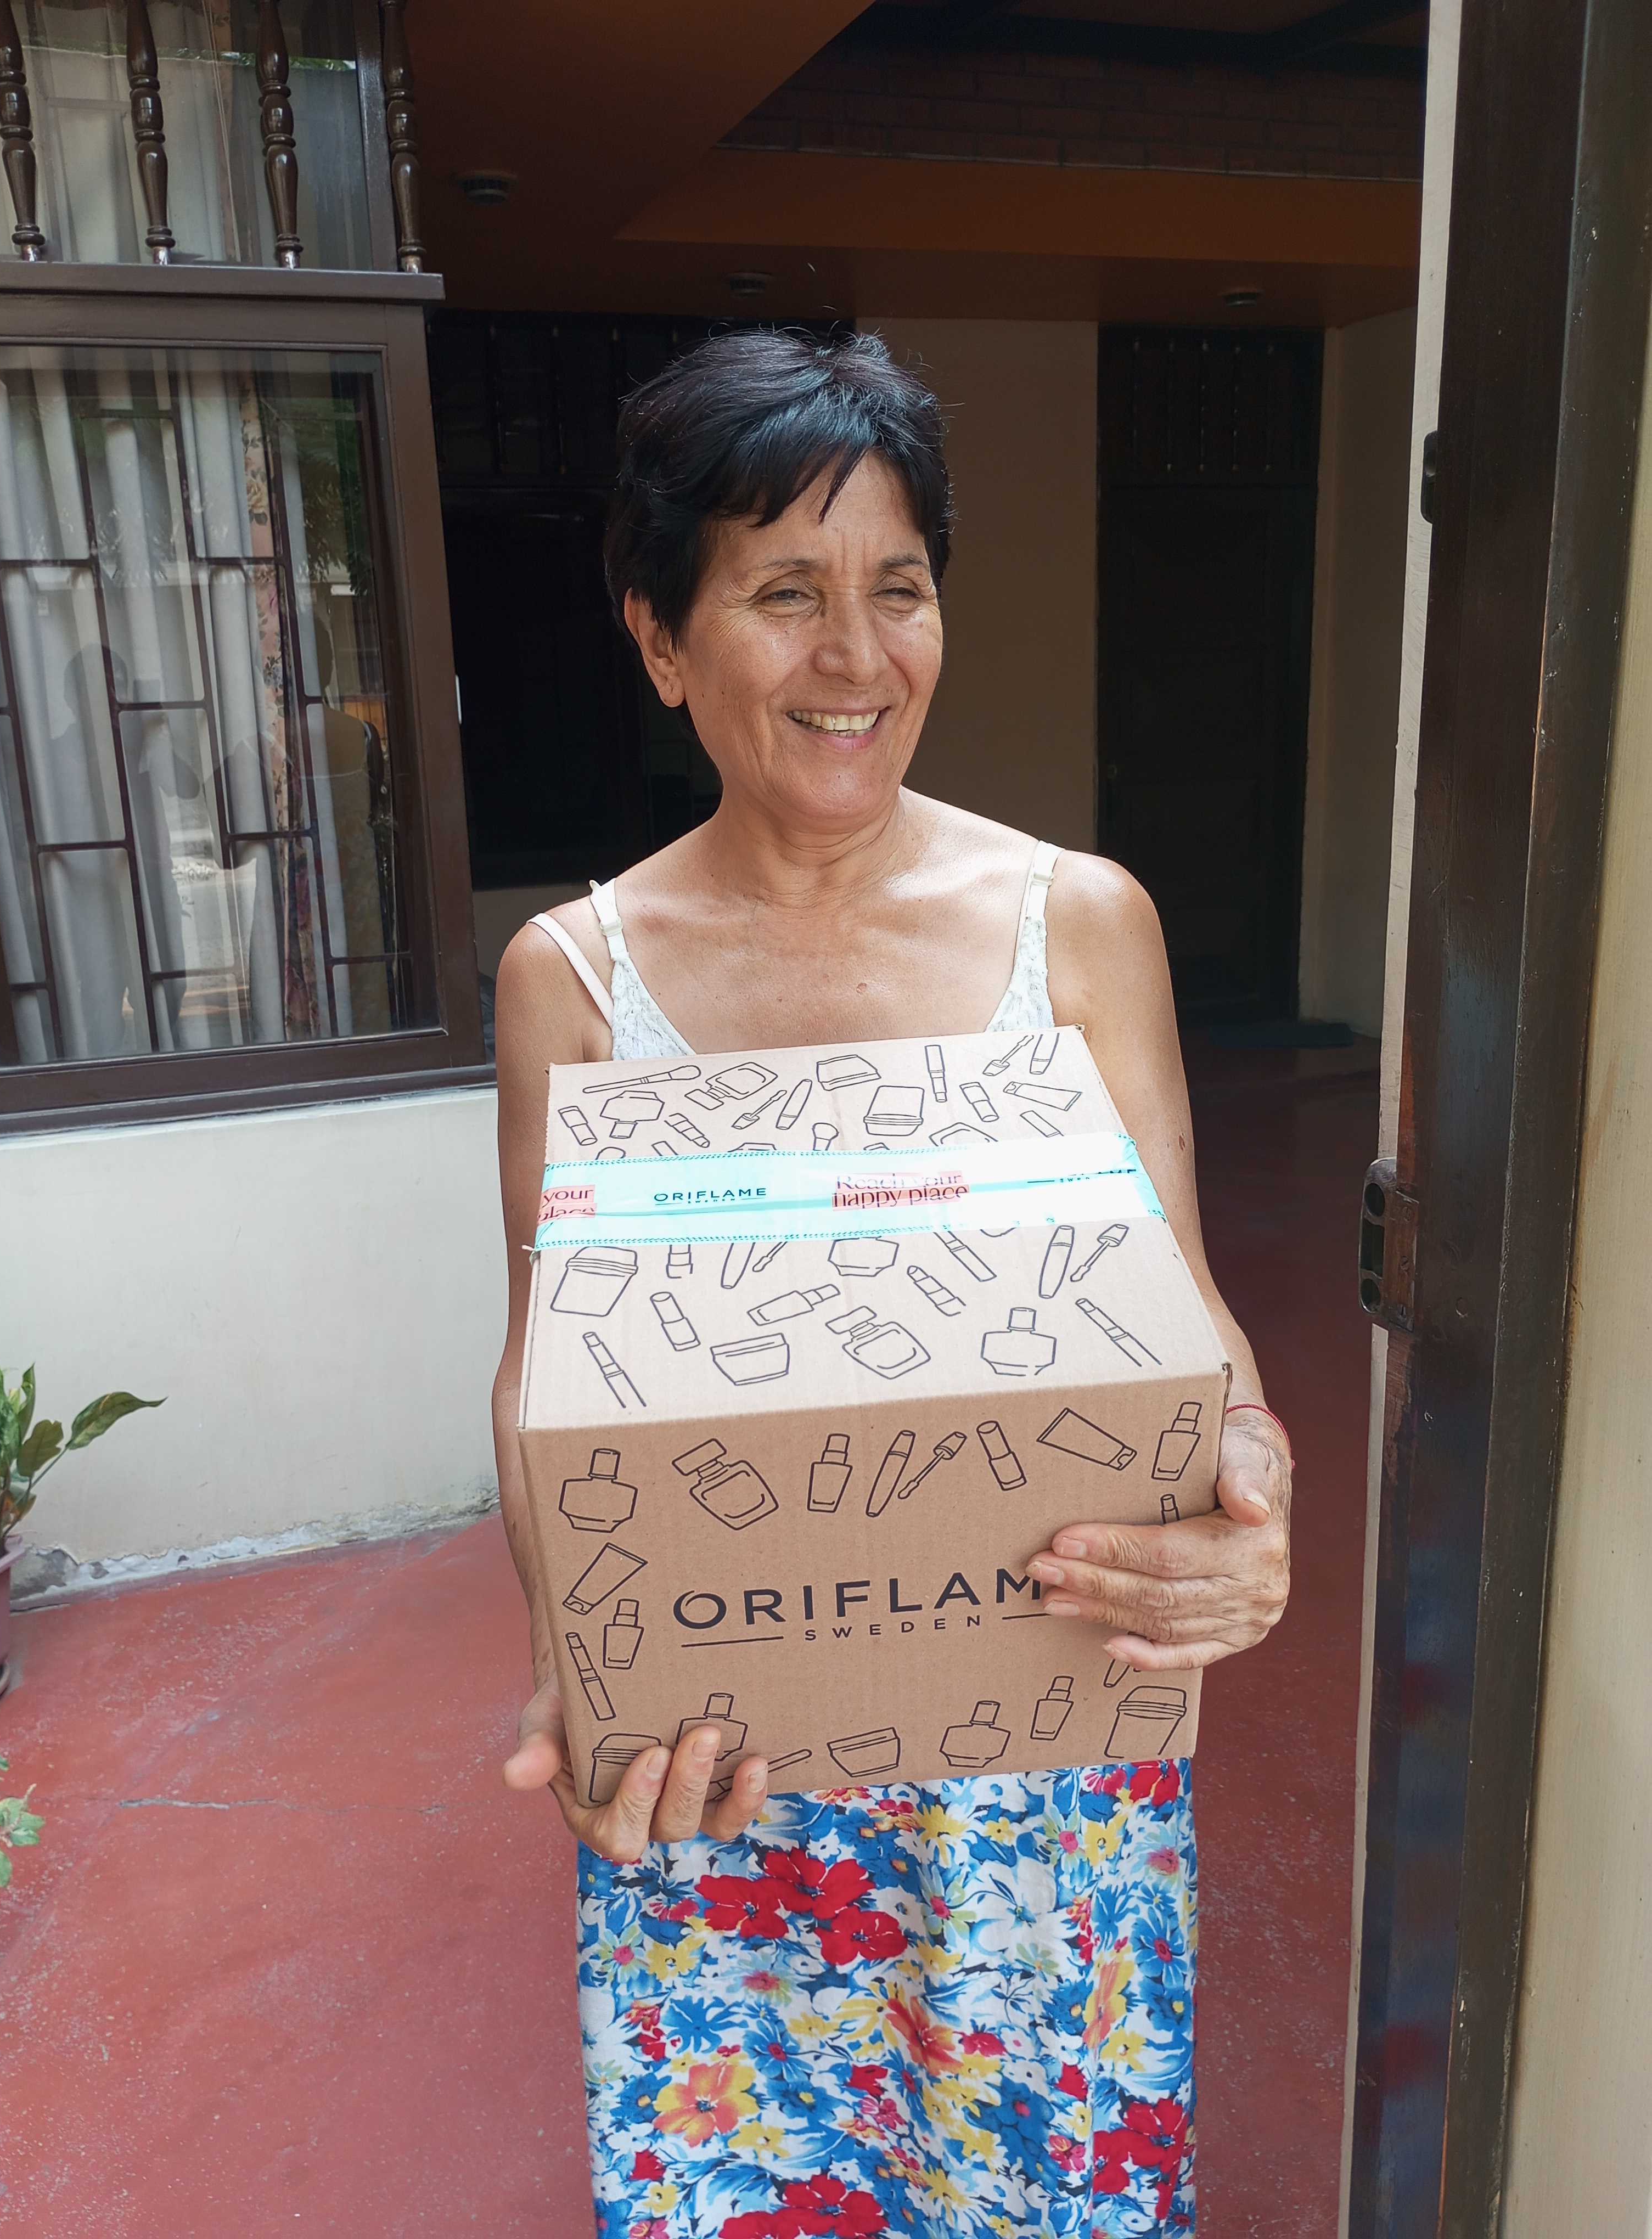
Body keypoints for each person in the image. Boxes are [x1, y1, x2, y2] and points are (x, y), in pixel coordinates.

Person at [491, 330, 1292, 2238]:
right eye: (785, 592)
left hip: (1043, 1782)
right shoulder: (576, 982)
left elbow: (1187, 1319)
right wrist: (584, 1677)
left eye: (899, 588)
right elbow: (549, 1384)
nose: (855, 657)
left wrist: (1253, 1505)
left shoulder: (1076, 927)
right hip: (733, 1774)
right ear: (661, 638)